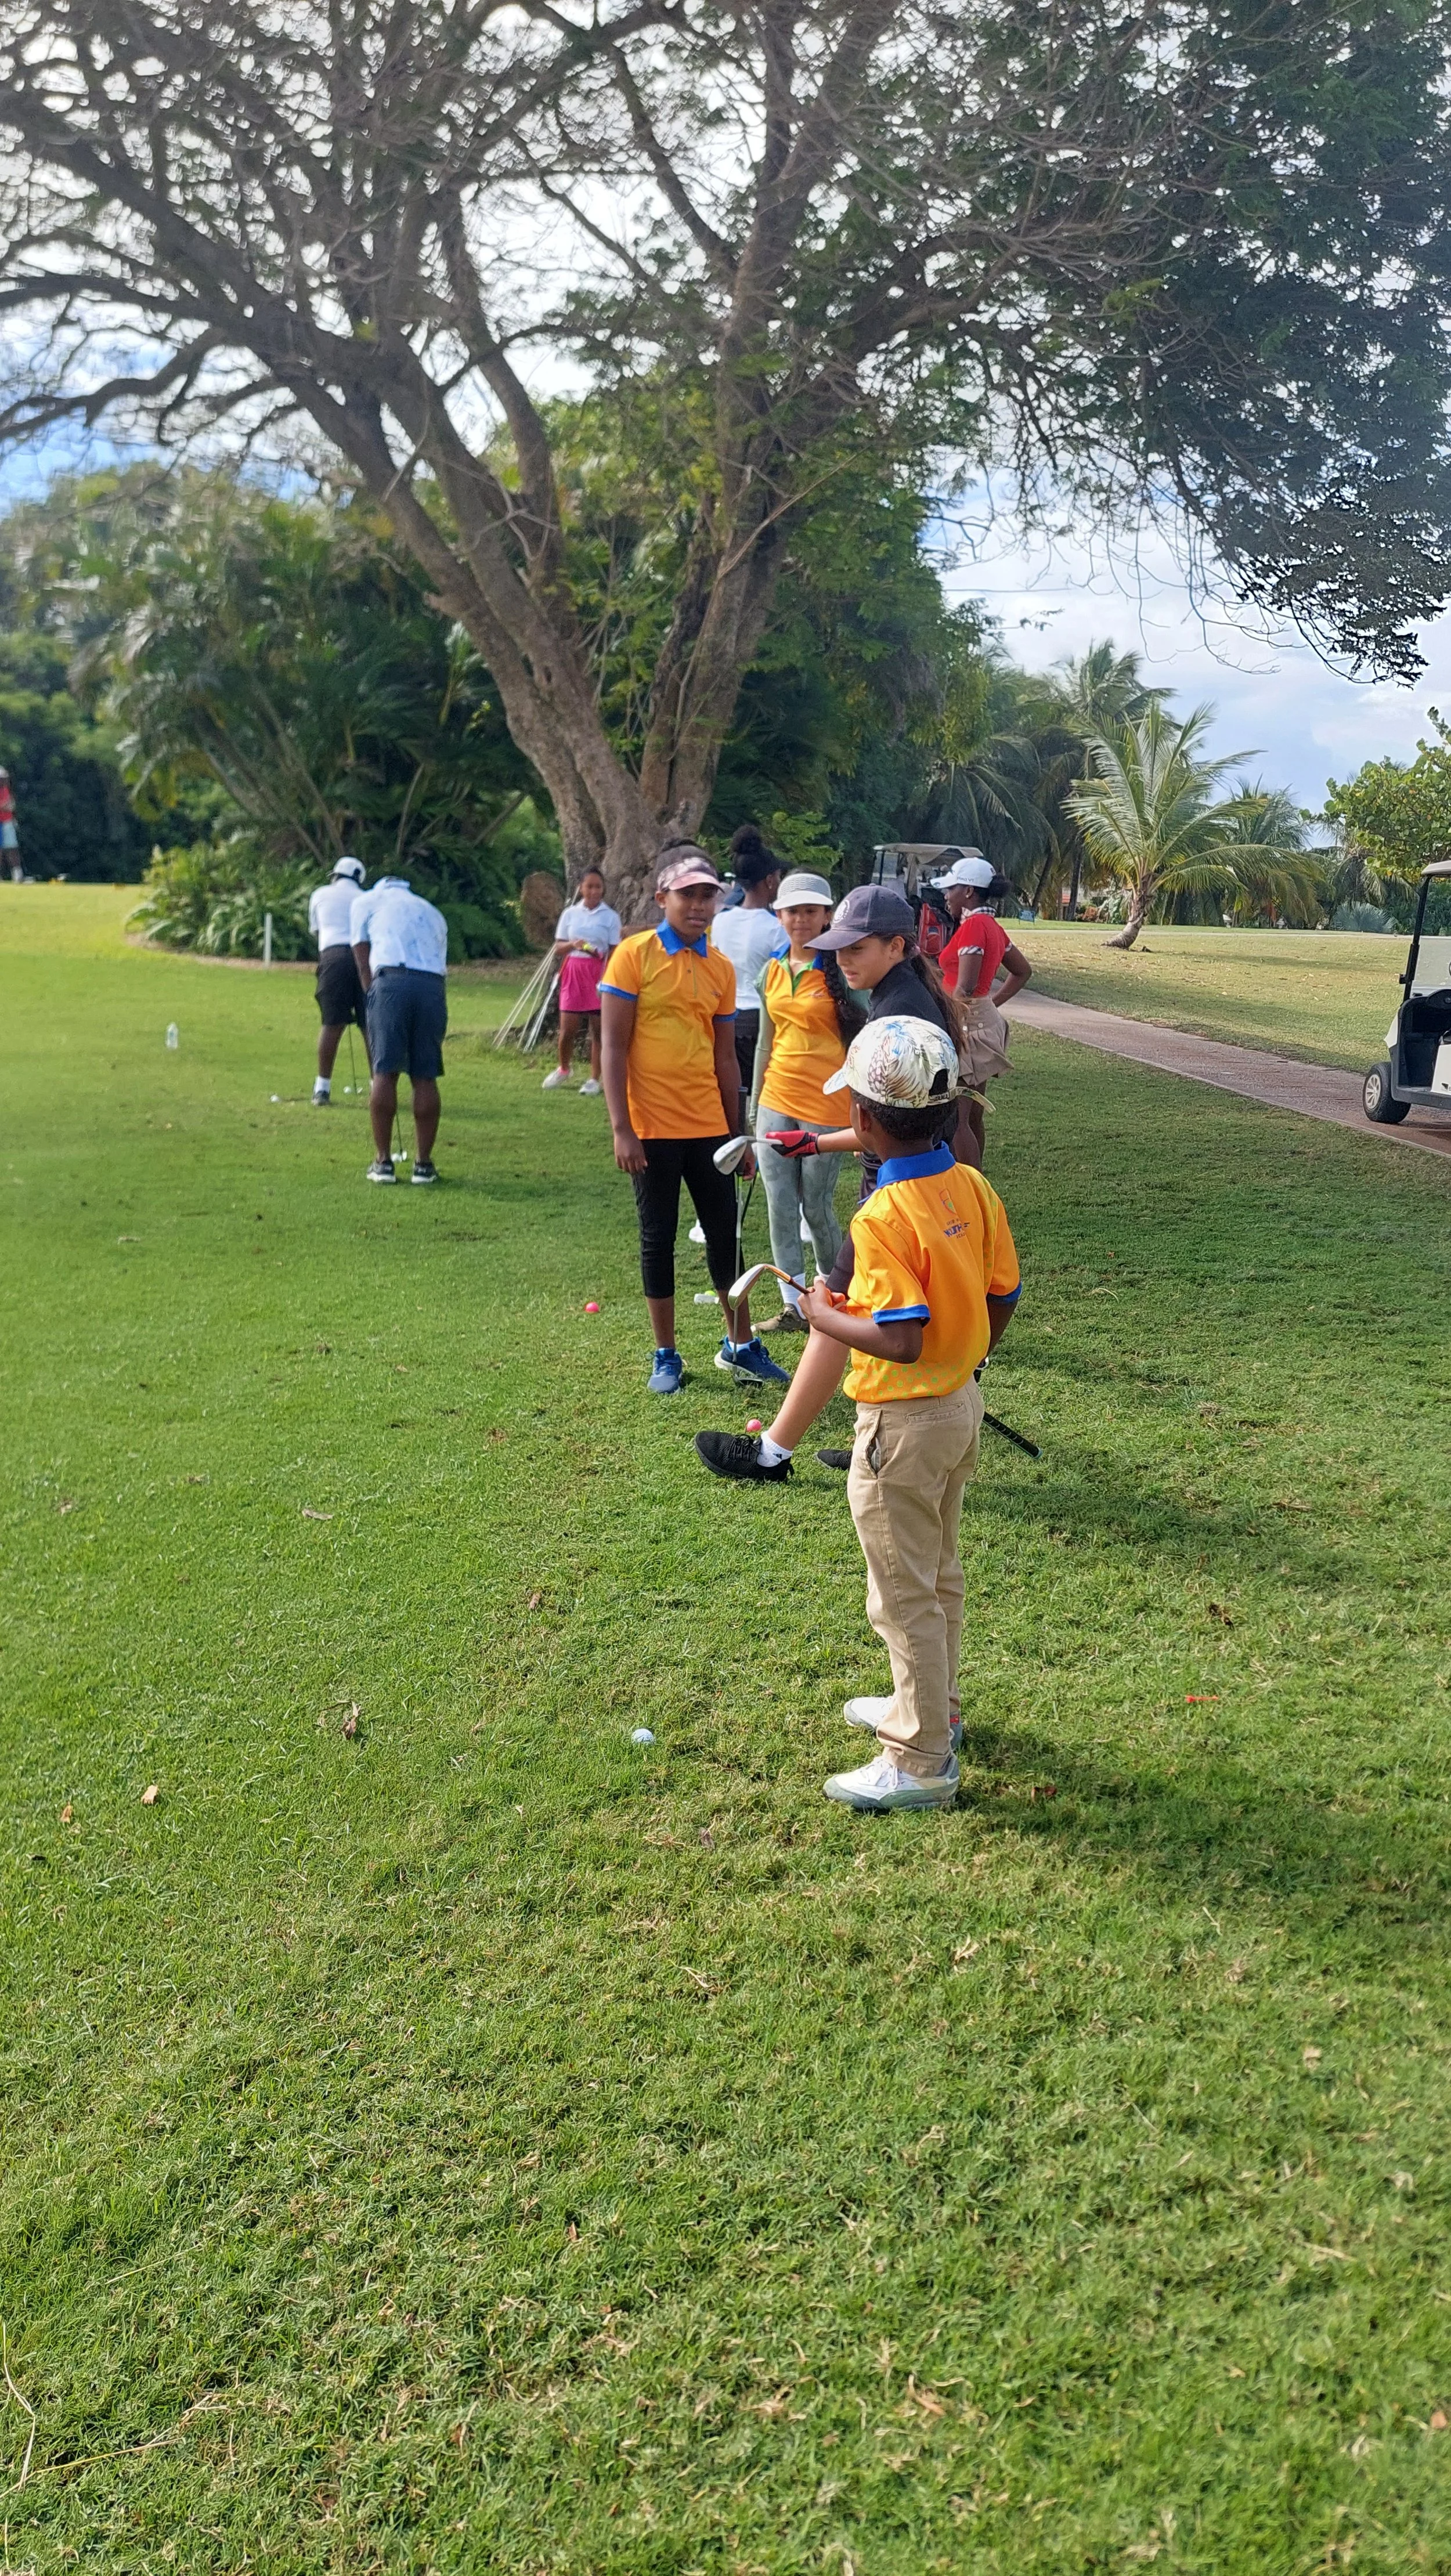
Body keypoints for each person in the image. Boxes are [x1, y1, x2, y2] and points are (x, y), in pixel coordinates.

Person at [699, 1016, 1022, 1813]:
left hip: (903, 1425)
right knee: (937, 1573)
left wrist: (821, 1312)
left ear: (868, 1124)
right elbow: (1003, 1291)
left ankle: (918, 1755)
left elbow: (899, 1336)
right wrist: (971, 1358)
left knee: (902, 1591)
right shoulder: (972, 1186)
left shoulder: (882, 1214)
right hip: (959, 1408)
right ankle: (934, 1710)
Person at [690, 881, 970, 1475]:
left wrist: (821, 1138)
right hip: (918, 1177)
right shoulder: (905, 994)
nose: (842, 957)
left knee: (840, 1310)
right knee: (864, 1311)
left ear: (896, 945)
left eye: (856, 947)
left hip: (894, 1191)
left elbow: (885, 1128)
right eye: (837, 946)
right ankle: (863, 1439)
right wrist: (815, 1139)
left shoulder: (895, 1015)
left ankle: (773, 1451)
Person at [600, 847, 791, 1397]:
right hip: (652, 1129)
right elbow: (613, 1046)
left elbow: (726, 1056)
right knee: (657, 1238)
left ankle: (740, 1343)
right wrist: (621, 1127)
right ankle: (667, 1353)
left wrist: (740, 1132)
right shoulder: (633, 956)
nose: (700, 905)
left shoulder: (721, 967)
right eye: (688, 895)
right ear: (663, 898)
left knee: (725, 1240)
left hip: (711, 1128)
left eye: (709, 895)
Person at [750, 869, 863, 1334]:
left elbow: (863, 1042)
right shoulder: (771, 970)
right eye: (793, 911)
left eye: (811, 911)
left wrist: (862, 1112)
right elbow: (763, 1043)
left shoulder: (844, 970)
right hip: (776, 1097)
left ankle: (834, 1298)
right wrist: (752, 1110)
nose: (801, 919)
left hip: (826, 1107)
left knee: (816, 1207)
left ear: (826, 915)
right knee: (779, 1204)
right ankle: (795, 1307)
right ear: (780, 915)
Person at [349, 873, 449, 1185]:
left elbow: (361, 956)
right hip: (432, 987)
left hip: (391, 982)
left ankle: (383, 1163)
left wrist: (371, 997)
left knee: (385, 1071)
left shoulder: (366, 901)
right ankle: (423, 1166)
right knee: (425, 1075)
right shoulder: (432, 911)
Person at [934, 851, 1034, 1158]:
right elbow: (1022, 971)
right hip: (979, 1021)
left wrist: (946, 1024)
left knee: (958, 1118)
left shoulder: (975, 927)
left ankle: (967, 1187)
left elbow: (964, 986)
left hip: (965, 1026)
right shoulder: (992, 926)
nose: (946, 896)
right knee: (972, 1114)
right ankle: (976, 1186)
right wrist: (992, 1003)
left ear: (969, 892)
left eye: (951, 889)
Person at [709, 823, 785, 1122]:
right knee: (761, 1097)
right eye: (778, 877)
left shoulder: (722, 921)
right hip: (760, 1021)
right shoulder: (776, 928)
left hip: (726, 1017)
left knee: (731, 1093)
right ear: (769, 881)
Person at [543, 865, 622, 1094]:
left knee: (597, 1030)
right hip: (573, 970)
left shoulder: (610, 917)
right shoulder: (570, 914)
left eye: (598, 887)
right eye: (589, 886)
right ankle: (564, 1069)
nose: (594, 891)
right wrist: (573, 945)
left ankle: (595, 1079)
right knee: (567, 1028)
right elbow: (559, 947)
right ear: (581, 888)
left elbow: (615, 950)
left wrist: (608, 975)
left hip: (598, 972)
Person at [308, 854, 370, 1105]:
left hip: (333, 957)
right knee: (370, 1027)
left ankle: (322, 1088)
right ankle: (379, 1088)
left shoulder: (320, 894)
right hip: (364, 957)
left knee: (332, 1024)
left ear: (335, 876)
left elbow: (318, 932)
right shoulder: (365, 899)